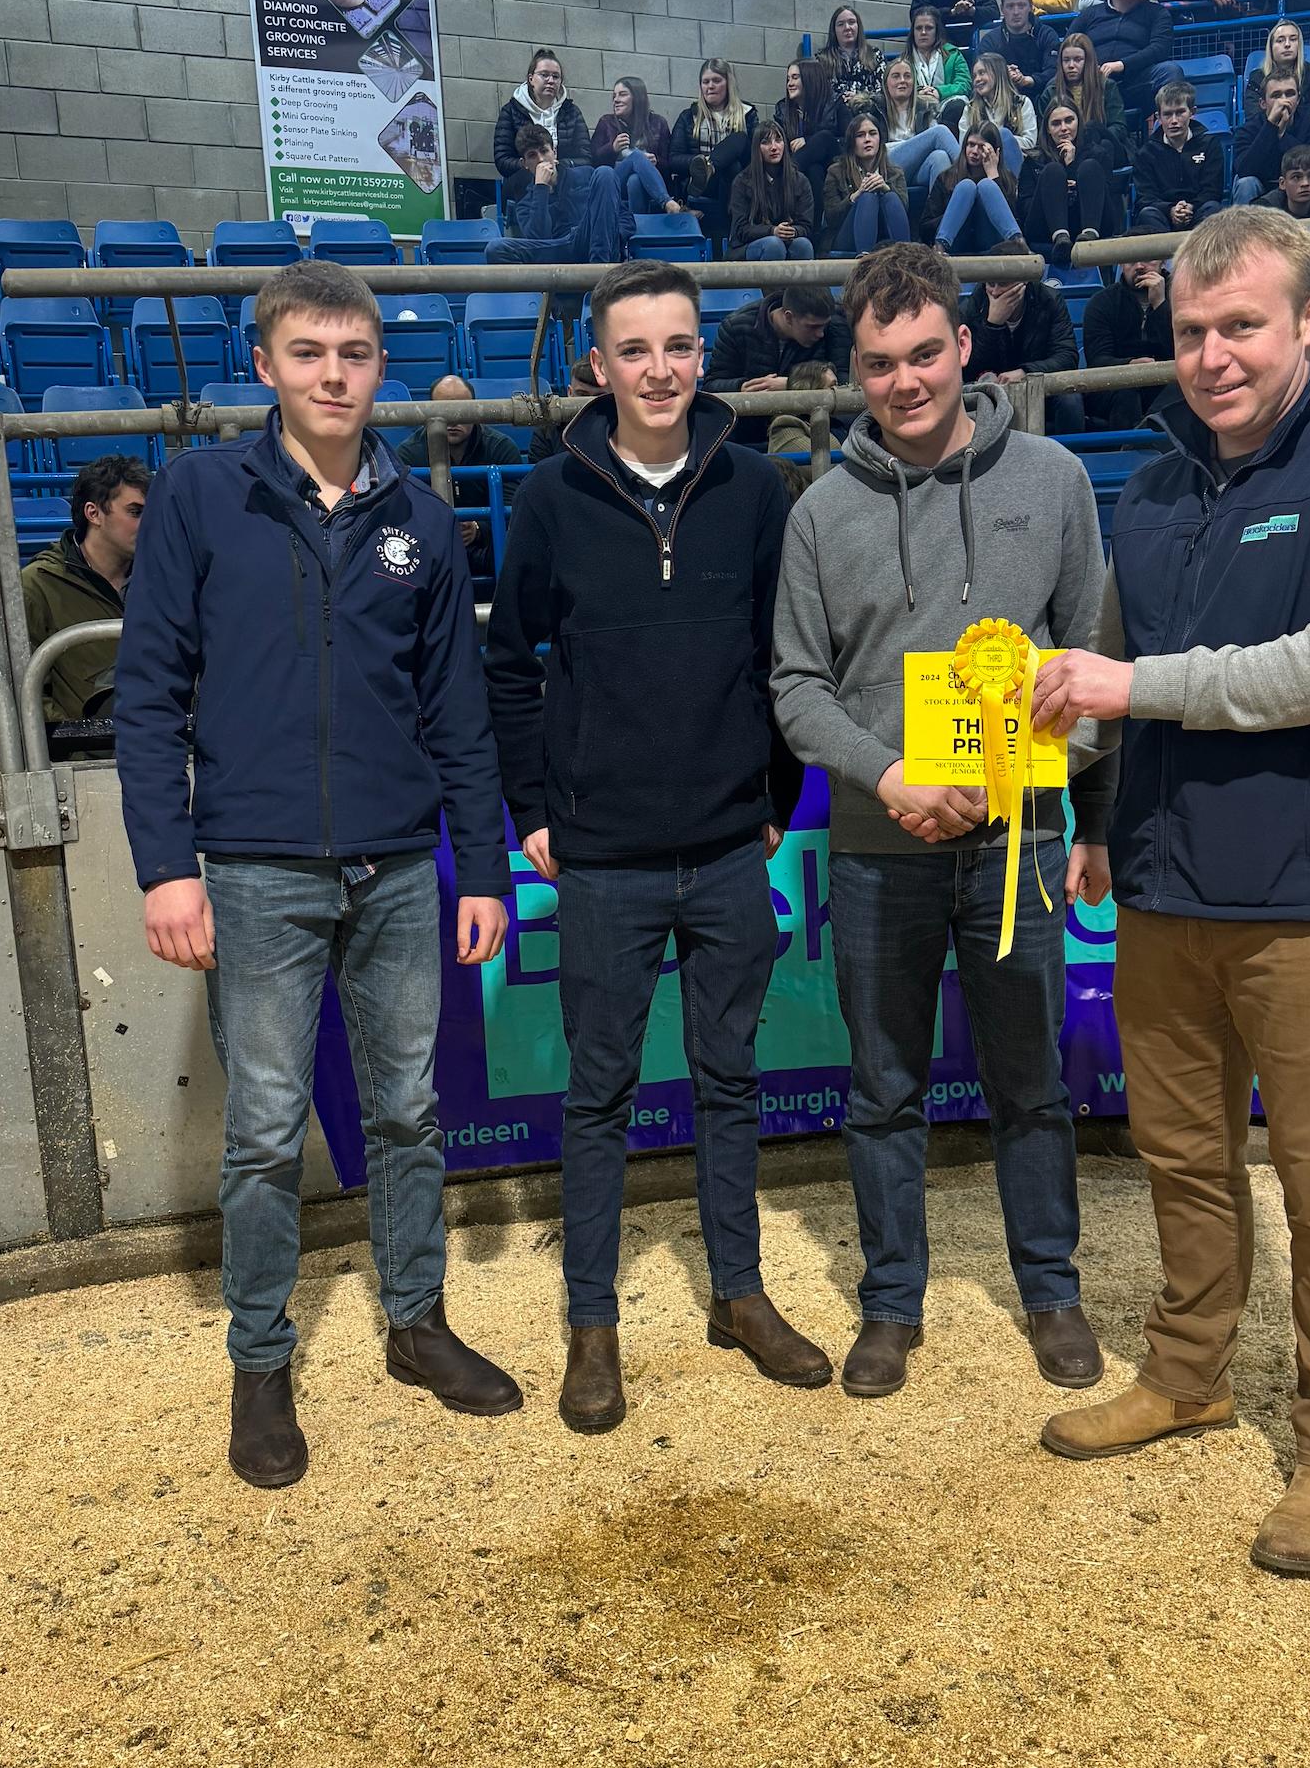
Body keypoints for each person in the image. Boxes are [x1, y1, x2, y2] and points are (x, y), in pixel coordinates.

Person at [1031, 203, 1310, 1578]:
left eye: (1240, 326)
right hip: (1164, 892)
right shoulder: (1154, 485)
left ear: (1308, 319)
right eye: (1189, 331)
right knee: (1180, 1159)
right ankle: (1187, 1372)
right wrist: (1029, 780)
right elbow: (1100, 689)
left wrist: (1126, 689)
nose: (1211, 356)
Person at [114, 259, 519, 1486]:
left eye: (353, 354)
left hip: (398, 865)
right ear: (265, 364)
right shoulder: (200, 495)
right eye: (308, 354)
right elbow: (148, 693)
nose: (333, 375)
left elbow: (459, 714)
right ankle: (259, 1358)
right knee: (262, 1128)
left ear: (379, 364)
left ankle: (415, 1320)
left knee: (408, 1110)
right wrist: (166, 865)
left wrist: (483, 867)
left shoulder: (423, 521)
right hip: (252, 869)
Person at [770, 241, 1111, 1400]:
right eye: (879, 363)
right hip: (880, 851)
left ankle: (1050, 1289)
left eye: (923, 353)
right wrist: (889, 776)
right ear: (854, 369)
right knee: (882, 1090)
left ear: (964, 346)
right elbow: (796, 687)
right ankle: (890, 1302)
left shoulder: (1054, 481)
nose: (904, 380)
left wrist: (1087, 812)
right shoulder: (820, 513)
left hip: (1024, 843)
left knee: (1030, 1083)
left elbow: (1090, 660)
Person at [484, 258, 818, 1434]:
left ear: (700, 355)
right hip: (603, 861)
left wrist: (777, 795)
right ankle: (592, 1324)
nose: (659, 369)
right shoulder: (548, 497)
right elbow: (509, 664)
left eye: (677, 345)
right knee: (599, 1094)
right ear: (599, 365)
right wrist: (534, 810)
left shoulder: (758, 488)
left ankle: (740, 1293)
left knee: (731, 1079)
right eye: (634, 349)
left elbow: (784, 658)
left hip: (729, 849)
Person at [21, 454, 148, 723]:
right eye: (135, 512)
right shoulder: (37, 585)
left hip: (166, 737)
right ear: (93, 513)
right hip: (86, 745)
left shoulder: (165, 576)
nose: (149, 523)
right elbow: (26, 693)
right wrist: (78, 739)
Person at [965, 271, 1085, 436]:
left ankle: (1072, 451)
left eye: (1003, 284)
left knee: (1070, 399)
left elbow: (1067, 356)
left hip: (1042, 389)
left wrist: (1026, 372)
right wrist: (993, 324)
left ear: (1023, 282)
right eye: (990, 283)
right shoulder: (975, 303)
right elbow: (967, 367)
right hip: (992, 391)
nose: (995, 291)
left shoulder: (1049, 299)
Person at [488, 125, 628, 264]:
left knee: (605, 173)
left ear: (554, 152)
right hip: (557, 250)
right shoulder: (525, 204)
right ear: (524, 164)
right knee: (496, 248)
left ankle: (598, 268)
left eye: (544, 151)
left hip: (593, 241)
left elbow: (626, 219)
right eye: (532, 155)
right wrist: (541, 188)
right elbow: (539, 240)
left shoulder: (587, 175)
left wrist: (609, 235)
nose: (541, 159)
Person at [669, 57, 756, 248]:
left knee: (738, 145)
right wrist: (698, 162)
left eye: (716, 80)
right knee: (729, 167)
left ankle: (710, 167)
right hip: (699, 185)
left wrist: (712, 161)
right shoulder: (688, 116)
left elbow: (755, 155)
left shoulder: (747, 114)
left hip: (739, 180)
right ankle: (732, 238)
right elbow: (673, 159)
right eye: (705, 82)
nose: (710, 86)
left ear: (728, 83)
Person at [705, 279, 850, 392]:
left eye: (824, 325)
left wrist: (792, 384)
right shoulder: (736, 327)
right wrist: (742, 387)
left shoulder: (834, 322)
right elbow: (712, 385)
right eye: (812, 327)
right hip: (752, 416)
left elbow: (845, 382)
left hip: (810, 416)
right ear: (788, 317)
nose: (820, 333)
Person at [1083, 258, 1173, 430]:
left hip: (1166, 382)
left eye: (1148, 259)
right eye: (1130, 261)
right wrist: (1130, 365)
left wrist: (1160, 305)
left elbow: (1182, 351)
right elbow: (1097, 360)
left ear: (1163, 262)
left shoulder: (1182, 297)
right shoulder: (1102, 302)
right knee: (1125, 390)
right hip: (1116, 387)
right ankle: (1132, 443)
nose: (1139, 266)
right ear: (1121, 265)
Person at [493, 47, 591, 203]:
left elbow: (586, 157)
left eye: (556, 76)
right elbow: (502, 160)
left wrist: (560, 165)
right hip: (524, 178)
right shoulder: (511, 111)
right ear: (531, 79)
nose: (551, 80)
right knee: (527, 178)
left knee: (588, 174)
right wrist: (533, 165)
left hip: (563, 177)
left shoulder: (571, 111)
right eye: (544, 75)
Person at [1023, 97, 1116, 259]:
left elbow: (1105, 200)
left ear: (1078, 122)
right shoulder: (1033, 160)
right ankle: (1061, 237)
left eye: (1069, 120)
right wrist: (1054, 193)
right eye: (1056, 123)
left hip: (1091, 222)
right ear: (1048, 129)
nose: (1064, 128)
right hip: (1045, 228)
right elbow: (1025, 208)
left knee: (1090, 167)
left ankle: (1089, 235)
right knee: (1053, 171)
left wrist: (1072, 166)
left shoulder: (1098, 154)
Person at [1072, 0, 1175, 96]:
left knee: (1169, 71)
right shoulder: (1090, 14)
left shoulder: (1157, 12)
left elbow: (1160, 49)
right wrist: (1088, 69)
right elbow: (1069, 45)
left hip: (1136, 80)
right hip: (1092, 82)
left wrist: (1122, 65)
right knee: (1055, 82)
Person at [1231, 66, 1310, 205]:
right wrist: (1270, 128)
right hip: (1264, 191)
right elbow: (1244, 170)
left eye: (1290, 94)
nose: (1283, 101)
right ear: (1263, 103)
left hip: (1302, 185)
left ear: (1298, 99)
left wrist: (1282, 135)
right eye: (1276, 95)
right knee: (1245, 183)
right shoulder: (1248, 129)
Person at [1131, 79, 1224, 233]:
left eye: (1180, 112)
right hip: (1162, 215)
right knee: (1147, 214)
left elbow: (1213, 191)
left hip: (1198, 211)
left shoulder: (1210, 144)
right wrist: (1171, 210)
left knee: (1213, 209)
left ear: (1192, 112)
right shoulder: (1145, 153)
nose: (1174, 120)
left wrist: (1190, 207)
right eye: (1167, 114)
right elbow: (1145, 197)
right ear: (1158, 117)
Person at [394, 371, 525, 478]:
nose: (453, 421)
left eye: (461, 411)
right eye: (444, 411)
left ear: (475, 411)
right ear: (429, 413)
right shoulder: (408, 454)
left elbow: (511, 500)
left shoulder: (501, 448)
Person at [923, 126, 1025, 255]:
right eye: (971, 145)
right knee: (966, 186)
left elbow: (1012, 219)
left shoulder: (1007, 178)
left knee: (986, 185)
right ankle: (940, 248)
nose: (975, 151)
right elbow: (925, 228)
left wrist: (993, 176)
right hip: (955, 243)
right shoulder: (946, 177)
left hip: (991, 244)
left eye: (982, 147)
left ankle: (1019, 243)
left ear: (995, 152)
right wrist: (958, 213)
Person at [590, 75, 683, 215]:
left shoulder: (658, 123)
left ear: (637, 97)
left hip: (647, 187)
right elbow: (593, 160)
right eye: (614, 96)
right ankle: (667, 202)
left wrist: (656, 161)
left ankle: (637, 225)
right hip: (614, 183)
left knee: (635, 181)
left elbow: (670, 164)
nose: (616, 100)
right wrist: (612, 148)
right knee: (636, 157)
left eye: (622, 94)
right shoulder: (606, 122)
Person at [728, 116, 817, 261]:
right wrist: (772, 231)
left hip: (786, 241)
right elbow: (741, 229)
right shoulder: (742, 182)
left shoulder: (800, 181)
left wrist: (792, 231)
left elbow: (806, 225)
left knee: (803, 245)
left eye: (778, 140)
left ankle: (802, 279)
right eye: (766, 142)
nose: (774, 147)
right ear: (757, 148)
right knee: (773, 245)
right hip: (747, 246)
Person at [822, 113, 912, 255]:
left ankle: (905, 256)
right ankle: (864, 257)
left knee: (890, 196)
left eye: (873, 133)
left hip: (884, 235)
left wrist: (886, 189)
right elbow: (832, 218)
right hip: (846, 237)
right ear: (852, 142)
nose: (867, 139)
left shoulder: (895, 172)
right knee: (867, 196)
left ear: (880, 139)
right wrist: (856, 196)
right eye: (860, 135)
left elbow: (903, 208)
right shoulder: (836, 171)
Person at [880, 55, 961, 202]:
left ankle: (939, 213)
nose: (902, 80)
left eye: (907, 76)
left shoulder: (924, 110)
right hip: (886, 166)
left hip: (915, 169)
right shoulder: (875, 109)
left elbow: (933, 144)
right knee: (940, 132)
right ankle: (968, 171)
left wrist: (918, 148)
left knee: (940, 157)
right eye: (896, 76)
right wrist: (913, 145)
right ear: (886, 83)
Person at [775, 56, 846, 219]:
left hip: (834, 163)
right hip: (808, 170)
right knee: (814, 170)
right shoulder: (783, 109)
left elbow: (848, 140)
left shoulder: (835, 103)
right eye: (788, 79)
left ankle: (784, 176)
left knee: (824, 137)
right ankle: (814, 228)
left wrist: (809, 140)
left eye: (795, 78)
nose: (789, 83)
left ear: (810, 78)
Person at [1048, 29, 1130, 168]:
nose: (1071, 65)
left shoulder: (1106, 86)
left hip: (1102, 146)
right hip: (1064, 147)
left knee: (1097, 134)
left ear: (1088, 61)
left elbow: (1119, 127)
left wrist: (1087, 140)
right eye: (1066, 60)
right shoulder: (1051, 91)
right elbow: (1046, 131)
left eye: (1077, 60)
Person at [766, 359, 843, 501]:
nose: (838, 392)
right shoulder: (785, 426)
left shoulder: (837, 424)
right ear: (811, 391)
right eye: (832, 386)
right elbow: (832, 468)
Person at [981, 0, 1063, 104]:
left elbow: (1054, 70)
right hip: (1000, 100)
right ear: (1002, 9)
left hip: (1040, 100)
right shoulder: (990, 41)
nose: (1016, 12)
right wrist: (1002, 74)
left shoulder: (1046, 35)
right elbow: (980, 73)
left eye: (1021, 6)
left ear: (1030, 7)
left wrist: (1029, 80)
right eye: (1010, 6)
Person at [959, 50, 1035, 174]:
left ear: (998, 74)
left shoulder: (1021, 103)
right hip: (979, 167)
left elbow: (1030, 142)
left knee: (1004, 134)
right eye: (975, 76)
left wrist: (997, 142)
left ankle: (1010, 185)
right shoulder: (970, 108)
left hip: (1012, 165)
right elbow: (963, 145)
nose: (977, 79)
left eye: (982, 73)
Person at [1243, 16, 1310, 118]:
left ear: (1299, 45)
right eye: (1280, 40)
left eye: (1293, 39)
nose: (1287, 44)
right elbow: (1253, 116)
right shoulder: (1257, 77)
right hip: (1267, 127)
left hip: (1306, 127)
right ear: (1271, 47)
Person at [821, 6, 889, 121]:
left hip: (870, 114)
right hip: (835, 117)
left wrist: (860, 98)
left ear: (858, 26)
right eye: (841, 24)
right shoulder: (822, 59)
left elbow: (883, 92)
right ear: (834, 30)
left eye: (851, 22)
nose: (847, 28)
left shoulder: (875, 55)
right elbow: (821, 94)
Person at [906, 5, 972, 107]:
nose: (923, 32)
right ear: (913, 32)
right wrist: (919, 92)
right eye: (918, 28)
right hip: (914, 108)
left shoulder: (953, 54)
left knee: (959, 103)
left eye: (929, 28)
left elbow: (965, 84)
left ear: (937, 31)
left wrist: (939, 92)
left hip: (947, 107)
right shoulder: (904, 61)